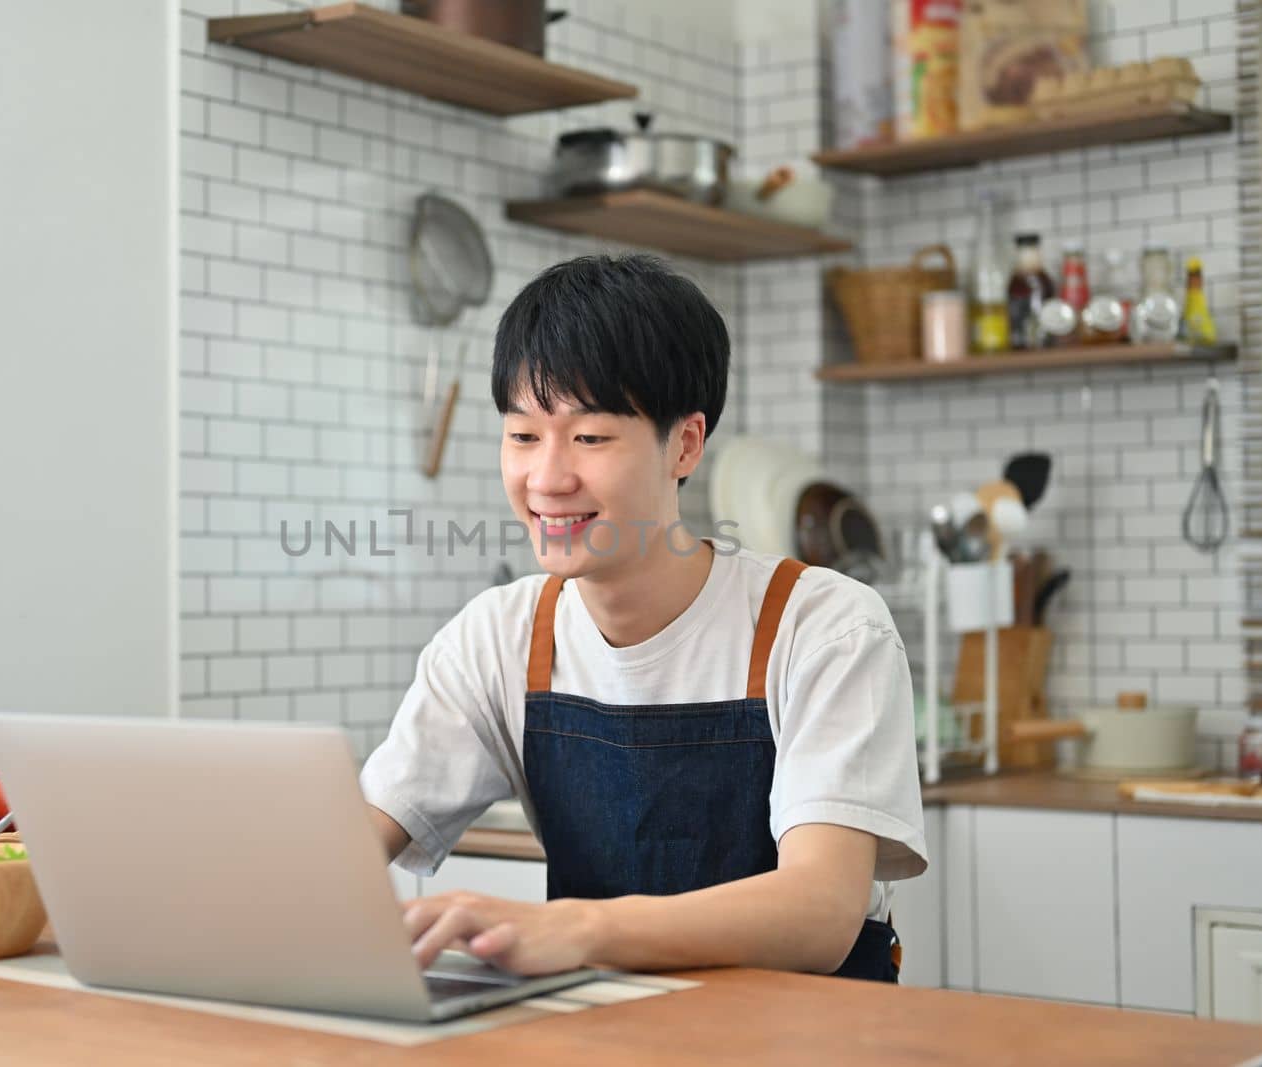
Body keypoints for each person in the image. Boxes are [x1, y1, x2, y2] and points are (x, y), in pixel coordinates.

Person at [360, 254, 925, 983]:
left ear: (684, 444)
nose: (547, 478)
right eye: (524, 436)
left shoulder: (825, 626)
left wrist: (576, 925)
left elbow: (819, 912)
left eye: (589, 437)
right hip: (603, 1034)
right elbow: (358, 840)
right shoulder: (496, 638)